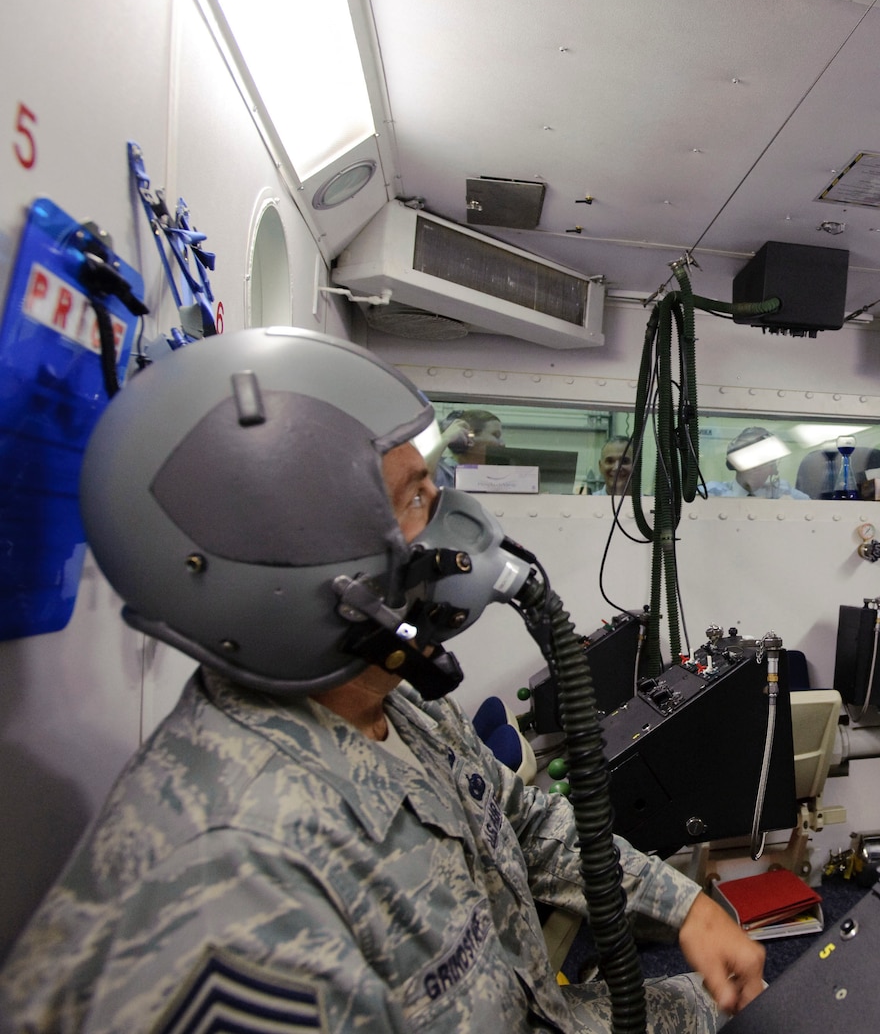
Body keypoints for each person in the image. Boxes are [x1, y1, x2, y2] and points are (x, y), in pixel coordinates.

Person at [0, 329, 764, 1031]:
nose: (454, 524)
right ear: (291, 579)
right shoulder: (229, 889)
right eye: (412, 500)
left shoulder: (390, 699)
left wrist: (685, 906)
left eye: (432, 487)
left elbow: (524, 822)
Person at [703, 426, 809, 499]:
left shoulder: (784, 492)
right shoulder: (711, 492)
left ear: (773, 468)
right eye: (749, 458)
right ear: (734, 463)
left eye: (764, 459)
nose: (755, 465)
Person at [426, 406, 504, 490]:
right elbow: (418, 477)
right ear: (469, 438)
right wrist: (445, 438)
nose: (502, 444)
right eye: (496, 435)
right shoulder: (442, 472)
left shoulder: (491, 476)